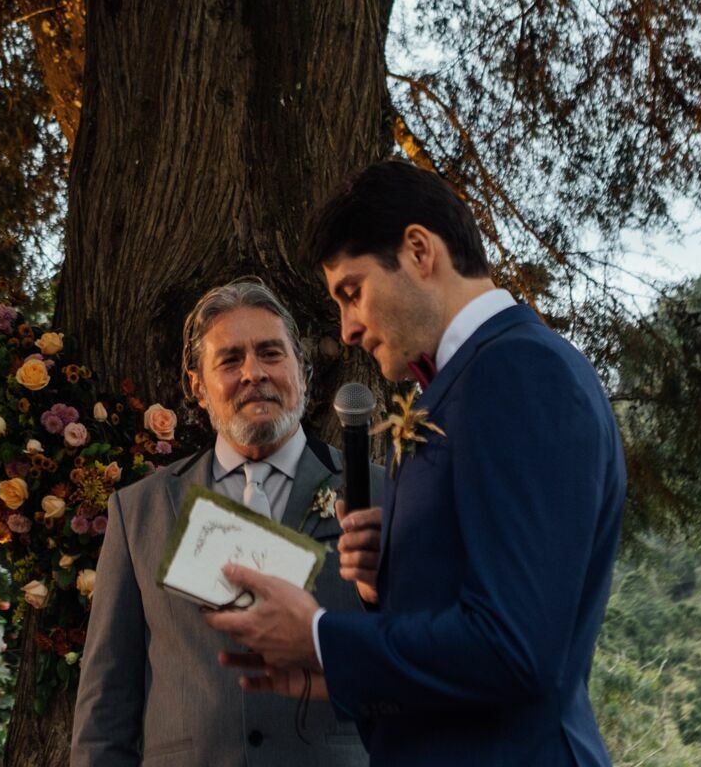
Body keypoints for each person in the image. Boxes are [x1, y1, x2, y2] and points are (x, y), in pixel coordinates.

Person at [205, 161, 627, 766]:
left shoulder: (517, 372)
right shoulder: (467, 381)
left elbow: (517, 648)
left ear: (420, 250)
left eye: (352, 292)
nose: (347, 329)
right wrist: (394, 576)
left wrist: (323, 637)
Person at [72, 278, 383, 767]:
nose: (254, 373)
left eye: (270, 353)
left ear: (301, 370)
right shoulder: (139, 512)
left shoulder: (381, 494)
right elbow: (106, 705)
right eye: (231, 360)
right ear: (197, 386)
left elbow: (427, 661)